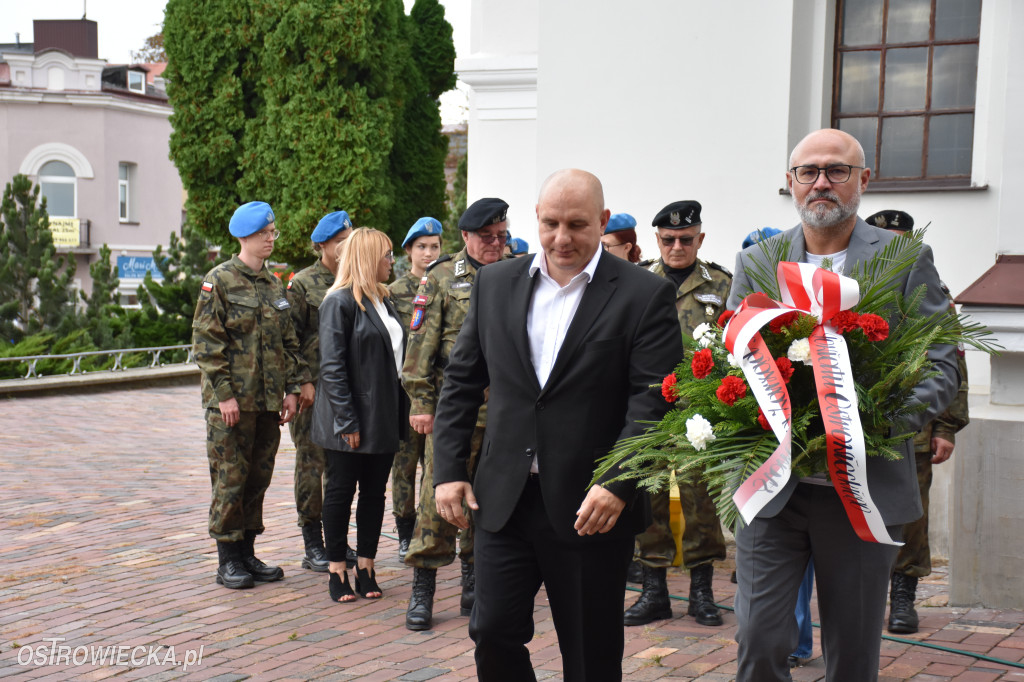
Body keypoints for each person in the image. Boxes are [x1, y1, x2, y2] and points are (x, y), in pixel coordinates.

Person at [728, 129, 960, 681]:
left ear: (863, 180)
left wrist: (872, 425)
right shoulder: (758, 262)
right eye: (808, 171)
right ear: (790, 182)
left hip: (863, 489)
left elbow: (941, 363)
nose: (821, 183)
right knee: (759, 638)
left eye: (837, 170)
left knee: (852, 654)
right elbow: (726, 357)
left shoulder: (906, 259)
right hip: (772, 487)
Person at [432, 169, 682, 681]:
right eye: (550, 224)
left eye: (577, 224)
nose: (561, 238)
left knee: (590, 655)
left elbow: (654, 402)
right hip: (504, 499)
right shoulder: (495, 284)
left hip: (591, 506)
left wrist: (618, 483)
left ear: (603, 221)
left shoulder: (642, 295)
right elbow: (460, 382)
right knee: (493, 632)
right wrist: (448, 470)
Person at [401, 197, 510, 630]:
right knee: (436, 501)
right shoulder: (442, 278)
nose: (496, 244)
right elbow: (420, 348)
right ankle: (422, 588)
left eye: (501, 236)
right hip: (454, 411)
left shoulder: (516, 273)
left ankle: (473, 584)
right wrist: (422, 405)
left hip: (503, 415)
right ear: (466, 237)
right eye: (487, 237)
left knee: (486, 502)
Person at [193, 201, 312, 589]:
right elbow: (207, 344)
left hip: (266, 404)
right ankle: (227, 558)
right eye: (264, 234)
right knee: (231, 478)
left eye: (273, 232)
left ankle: (247, 551)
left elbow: (290, 343)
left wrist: (292, 390)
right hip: (232, 405)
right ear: (245, 236)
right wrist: (224, 395)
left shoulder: (274, 284)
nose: (271, 239)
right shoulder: (220, 281)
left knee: (257, 477)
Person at [624, 200, 731, 627]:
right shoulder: (636, 281)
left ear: (699, 239)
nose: (676, 246)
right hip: (648, 410)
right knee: (647, 501)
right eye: (668, 239)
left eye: (686, 239)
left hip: (699, 414)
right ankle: (654, 592)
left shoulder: (721, 284)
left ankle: (701, 593)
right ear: (657, 240)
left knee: (699, 503)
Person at [866, 209, 971, 635]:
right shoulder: (856, 288)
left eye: (901, 240)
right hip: (859, 422)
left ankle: (903, 596)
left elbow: (953, 361)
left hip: (916, 426)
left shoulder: (929, 289)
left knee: (912, 514)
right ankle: (863, 595)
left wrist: (946, 427)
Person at [310, 227, 407, 602]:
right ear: (367, 258)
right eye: (385, 255)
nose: (391, 262)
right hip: (348, 418)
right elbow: (332, 367)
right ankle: (337, 569)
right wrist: (346, 421)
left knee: (374, 493)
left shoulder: (384, 299)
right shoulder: (338, 302)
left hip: (384, 413)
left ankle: (366, 565)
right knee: (340, 490)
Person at [287, 210, 353, 573]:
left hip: (346, 390)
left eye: (349, 239)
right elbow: (290, 339)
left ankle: (337, 542)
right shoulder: (302, 284)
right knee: (312, 465)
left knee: (342, 470)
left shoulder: (354, 280)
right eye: (339, 242)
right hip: (315, 392)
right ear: (322, 246)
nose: (345, 247)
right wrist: (301, 382)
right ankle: (313, 542)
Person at [388, 216, 443, 561]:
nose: (428, 252)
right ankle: (405, 531)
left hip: (441, 393)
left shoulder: (443, 285)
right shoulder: (393, 293)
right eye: (422, 246)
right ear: (409, 250)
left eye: (435, 246)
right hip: (406, 396)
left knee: (437, 466)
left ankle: (436, 528)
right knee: (405, 466)